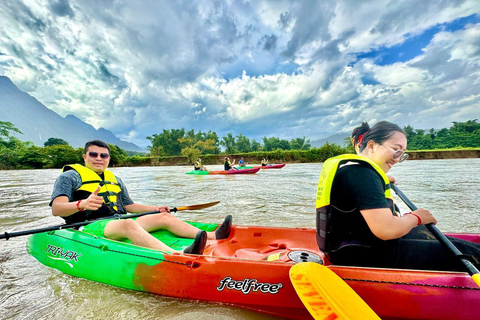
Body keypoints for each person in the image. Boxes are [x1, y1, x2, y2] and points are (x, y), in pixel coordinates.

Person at [316, 121, 480, 271]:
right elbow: (386, 229)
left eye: (402, 154)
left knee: (433, 236)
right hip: (366, 255)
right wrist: (417, 217)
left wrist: (381, 181)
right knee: (466, 252)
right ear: (372, 145)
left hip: (348, 249)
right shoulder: (363, 175)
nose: (398, 159)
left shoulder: (352, 170)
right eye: (396, 150)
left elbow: (355, 192)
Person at [50, 140, 232, 255]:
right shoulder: (69, 177)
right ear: (84, 156)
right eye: (93, 154)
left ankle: (213, 235)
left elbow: (129, 206)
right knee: (128, 223)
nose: (99, 158)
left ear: (108, 158)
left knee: (163, 217)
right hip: (88, 227)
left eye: (103, 155)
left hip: (117, 222)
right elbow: (56, 208)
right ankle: (176, 255)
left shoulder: (116, 180)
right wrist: (83, 204)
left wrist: (155, 208)